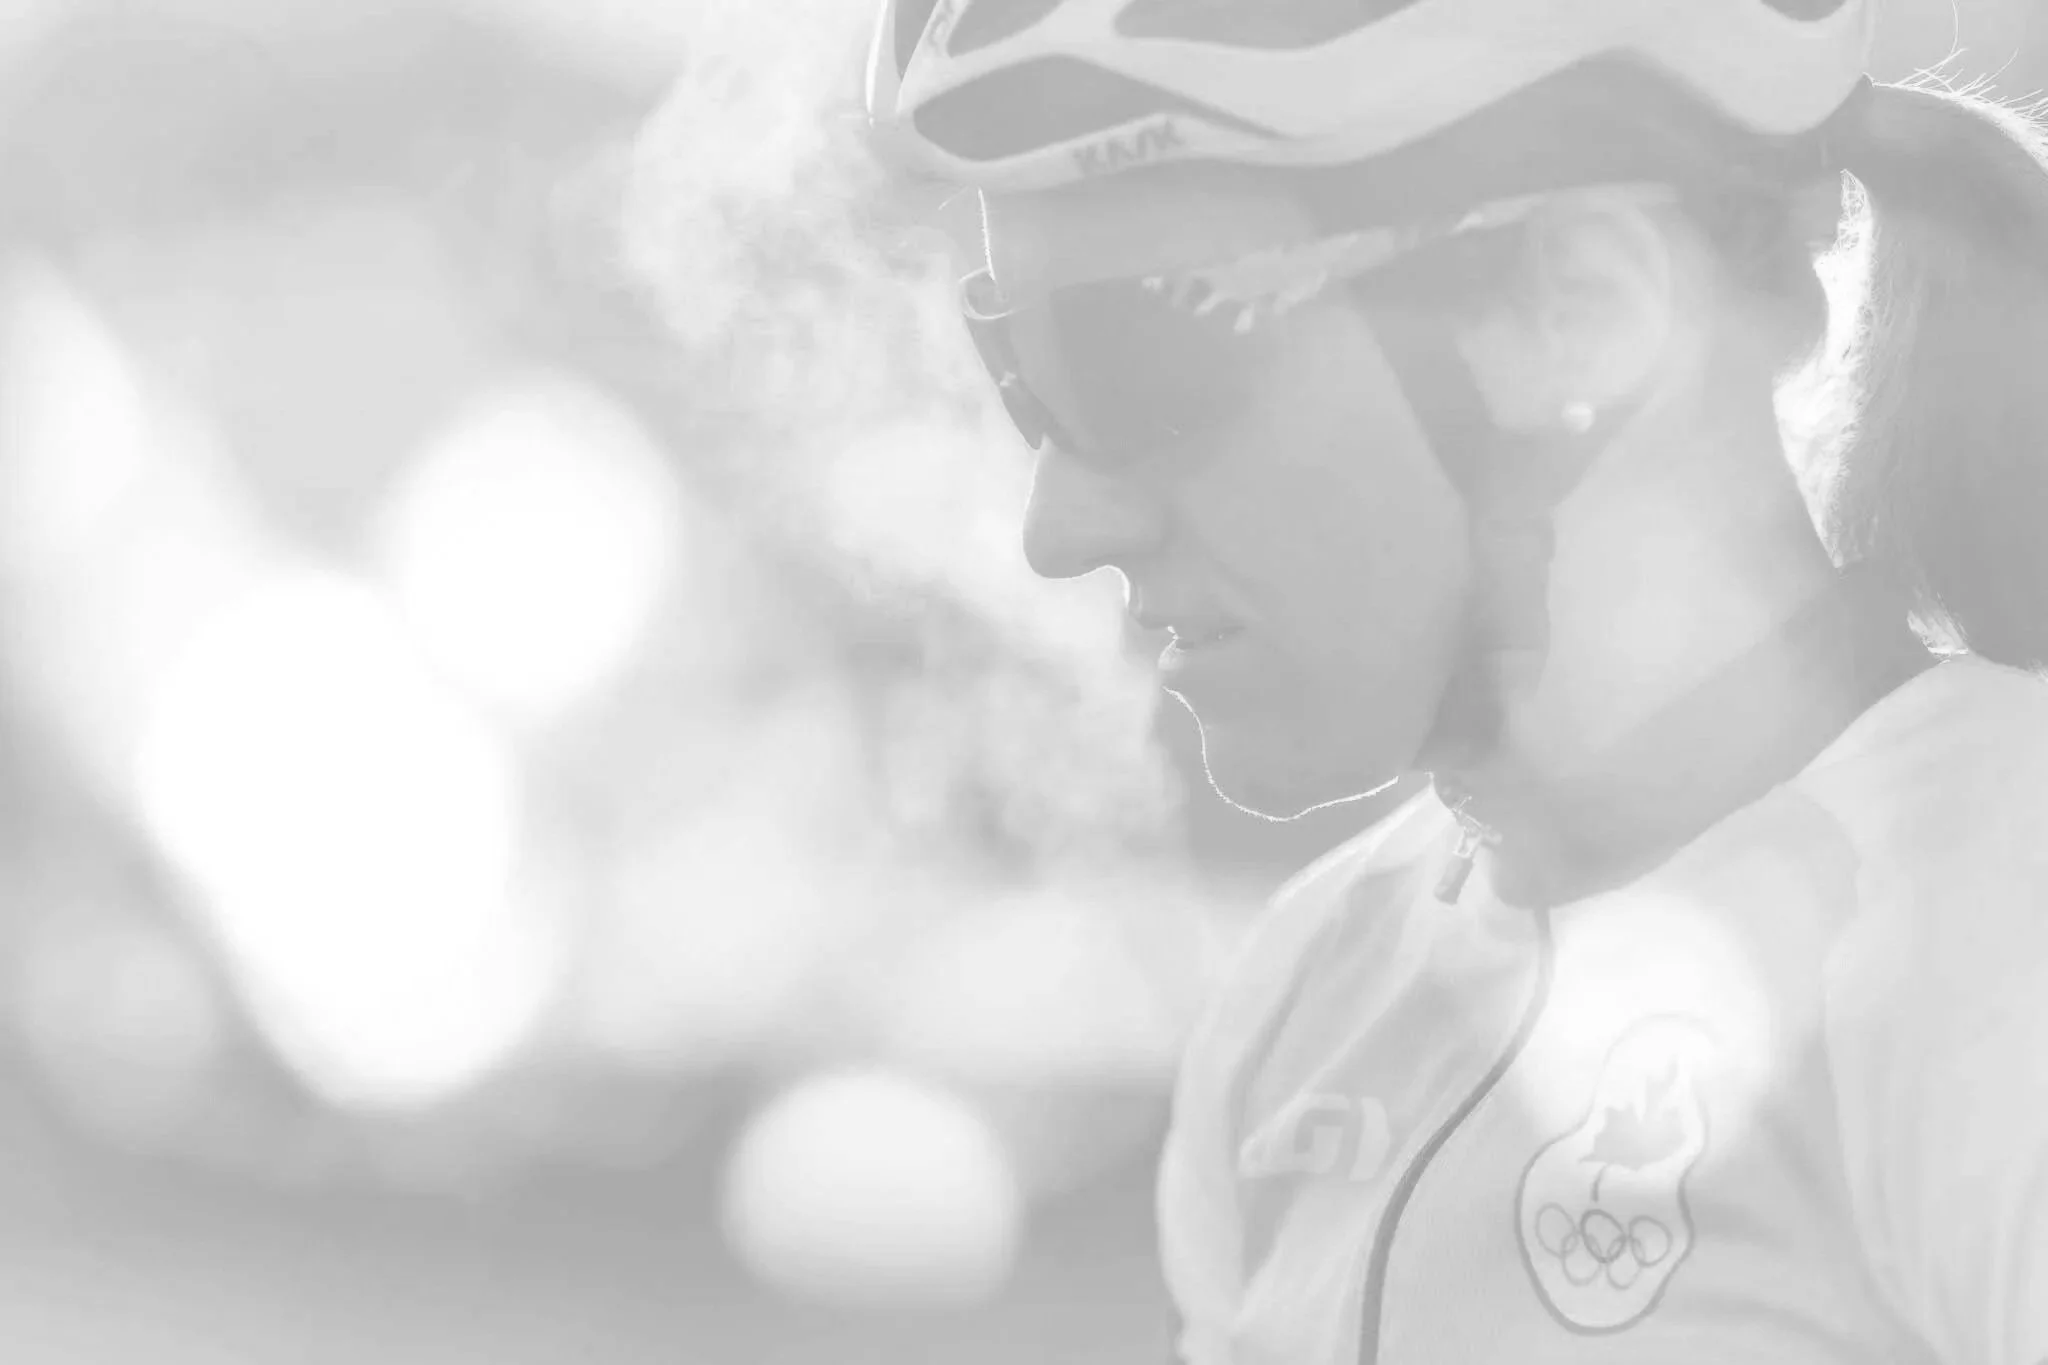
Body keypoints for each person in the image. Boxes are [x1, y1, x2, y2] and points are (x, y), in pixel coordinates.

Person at [864, 1, 2048, 1361]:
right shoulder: (1309, 998)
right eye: (1025, 372)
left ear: (1584, 310)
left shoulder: (2002, 939)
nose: (1059, 528)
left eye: (1130, 362)